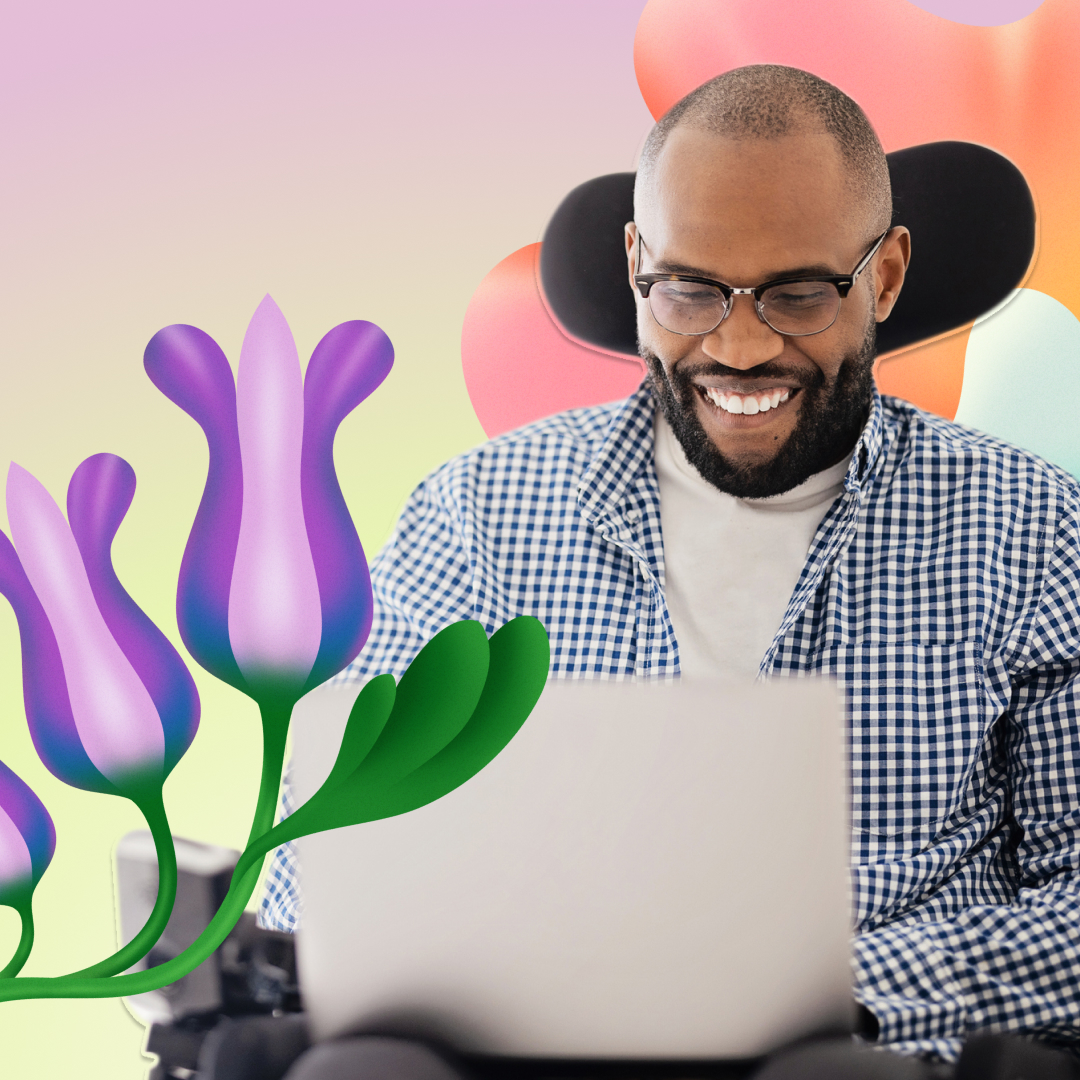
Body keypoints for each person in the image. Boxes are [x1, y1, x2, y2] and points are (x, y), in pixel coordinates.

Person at [260, 66, 1080, 1066]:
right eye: (689, 291)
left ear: (886, 277)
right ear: (638, 265)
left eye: (799, 294)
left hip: (855, 1043)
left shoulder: (1029, 528)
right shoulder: (478, 513)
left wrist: (842, 998)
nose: (738, 347)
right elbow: (325, 858)